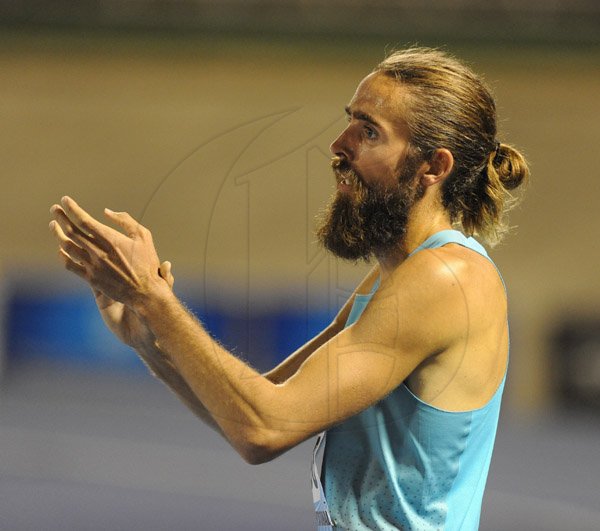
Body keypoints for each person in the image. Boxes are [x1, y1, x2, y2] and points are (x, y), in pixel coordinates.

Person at [49, 47, 529, 530]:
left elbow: (265, 428)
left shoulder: (448, 278)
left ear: (433, 166)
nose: (338, 145)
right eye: (349, 122)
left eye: (368, 131)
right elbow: (254, 407)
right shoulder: (397, 278)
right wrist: (147, 333)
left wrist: (156, 300)